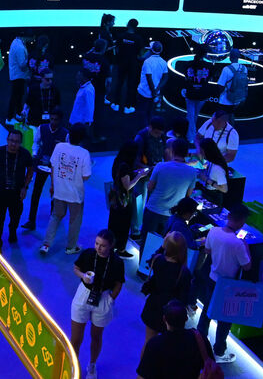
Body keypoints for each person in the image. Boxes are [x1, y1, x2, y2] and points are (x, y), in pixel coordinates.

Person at [197, 204, 253, 364]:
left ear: (229, 216)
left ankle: (199, 343)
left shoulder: (213, 231)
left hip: (212, 278)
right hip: (228, 285)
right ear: (242, 222)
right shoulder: (238, 244)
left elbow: (207, 251)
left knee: (207, 311)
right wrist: (246, 247)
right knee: (225, 318)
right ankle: (219, 351)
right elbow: (247, 266)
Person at [69, 230, 125, 379]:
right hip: (84, 295)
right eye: (96, 243)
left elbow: (119, 283)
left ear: (111, 246)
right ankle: (73, 366)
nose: (98, 248)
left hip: (103, 298)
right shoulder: (88, 254)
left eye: (103, 245)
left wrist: (111, 299)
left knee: (96, 336)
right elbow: (76, 268)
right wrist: (83, 276)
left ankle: (92, 365)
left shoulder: (117, 262)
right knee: (76, 338)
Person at [41, 124, 92, 255]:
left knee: (55, 216)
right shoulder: (84, 153)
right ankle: (70, 247)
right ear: (82, 139)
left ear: (69, 135)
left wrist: (53, 185)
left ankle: (46, 245)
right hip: (75, 195)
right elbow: (86, 176)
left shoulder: (59, 147)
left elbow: (53, 166)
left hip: (59, 191)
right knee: (74, 221)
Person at [136, 301, 213, 379]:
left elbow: (142, 376)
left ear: (164, 319)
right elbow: (211, 366)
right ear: (186, 319)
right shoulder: (199, 338)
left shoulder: (154, 344)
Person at [0, 129, 35, 248]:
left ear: (20, 142)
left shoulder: (25, 154)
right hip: (0, 192)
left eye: (16, 142)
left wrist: (25, 187)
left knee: (15, 216)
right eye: (11, 140)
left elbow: (30, 171)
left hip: (17, 193)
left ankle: (12, 231)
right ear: (7, 140)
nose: (13, 144)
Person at [141, 233, 194, 342]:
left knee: (149, 343)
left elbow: (153, 258)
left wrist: (162, 246)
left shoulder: (157, 260)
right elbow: (184, 298)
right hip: (171, 313)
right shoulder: (184, 273)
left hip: (153, 306)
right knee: (166, 346)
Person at [23, 105, 69, 230]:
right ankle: (31, 220)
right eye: (51, 119)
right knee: (36, 191)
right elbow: (36, 142)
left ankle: (53, 219)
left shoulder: (65, 134)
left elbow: (67, 151)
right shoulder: (42, 128)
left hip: (57, 167)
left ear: (60, 120)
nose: (53, 122)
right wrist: (35, 154)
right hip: (42, 164)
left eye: (56, 120)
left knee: (56, 193)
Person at [142, 139, 197, 243]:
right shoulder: (192, 171)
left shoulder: (160, 166)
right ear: (186, 153)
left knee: (146, 243)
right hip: (172, 215)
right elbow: (188, 195)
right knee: (164, 245)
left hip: (153, 209)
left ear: (172, 151)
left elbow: (150, 187)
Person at [107, 142, 143, 257]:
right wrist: (140, 176)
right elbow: (127, 186)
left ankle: (110, 246)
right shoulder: (125, 167)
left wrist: (134, 173)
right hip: (124, 200)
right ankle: (121, 249)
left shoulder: (117, 161)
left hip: (115, 198)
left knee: (113, 223)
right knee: (123, 224)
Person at [110, 19, 141, 113]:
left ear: (128, 24)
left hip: (122, 63)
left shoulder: (121, 36)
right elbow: (140, 52)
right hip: (133, 64)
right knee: (131, 85)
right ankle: (128, 106)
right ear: (136, 26)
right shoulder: (138, 38)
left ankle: (116, 104)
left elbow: (117, 49)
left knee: (119, 83)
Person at [136, 41, 168, 122]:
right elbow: (165, 78)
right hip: (155, 93)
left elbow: (149, 78)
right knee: (150, 113)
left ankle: (145, 128)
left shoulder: (147, 62)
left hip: (144, 91)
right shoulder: (163, 62)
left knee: (142, 113)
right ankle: (149, 127)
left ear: (151, 50)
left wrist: (153, 91)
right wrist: (157, 90)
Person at [183, 46, 212, 130]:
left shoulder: (188, 64)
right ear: (205, 54)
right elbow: (210, 78)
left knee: (191, 115)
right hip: (202, 93)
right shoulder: (209, 65)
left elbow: (186, 77)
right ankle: (191, 133)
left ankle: (190, 134)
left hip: (191, 92)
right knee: (194, 115)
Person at [24, 69, 61, 133]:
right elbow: (28, 103)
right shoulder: (34, 89)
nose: (50, 81)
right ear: (42, 78)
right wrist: (24, 111)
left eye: (51, 79)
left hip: (50, 121)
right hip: (35, 120)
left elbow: (57, 104)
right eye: (47, 79)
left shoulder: (55, 90)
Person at [197, 139, 231, 207]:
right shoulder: (210, 162)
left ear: (207, 152)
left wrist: (207, 180)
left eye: (201, 151)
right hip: (207, 192)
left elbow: (224, 189)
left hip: (214, 197)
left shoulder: (217, 169)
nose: (200, 153)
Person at [214, 49, 248, 117]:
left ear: (230, 57)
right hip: (238, 99)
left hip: (226, 100)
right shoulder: (244, 68)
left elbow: (221, 86)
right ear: (238, 56)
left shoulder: (226, 69)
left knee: (222, 118)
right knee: (231, 115)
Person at [7, 33, 31, 120]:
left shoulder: (16, 41)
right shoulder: (19, 47)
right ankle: (9, 117)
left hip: (17, 74)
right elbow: (22, 64)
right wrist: (30, 60)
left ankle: (18, 113)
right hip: (18, 75)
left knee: (18, 96)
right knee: (15, 96)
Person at [69, 69, 95, 133]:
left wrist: (88, 121)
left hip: (80, 122)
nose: (77, 77)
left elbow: (90, 106)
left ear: (84, 78)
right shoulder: (83, 88)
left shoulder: (88, 89)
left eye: (79, 75)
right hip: (75, 120)